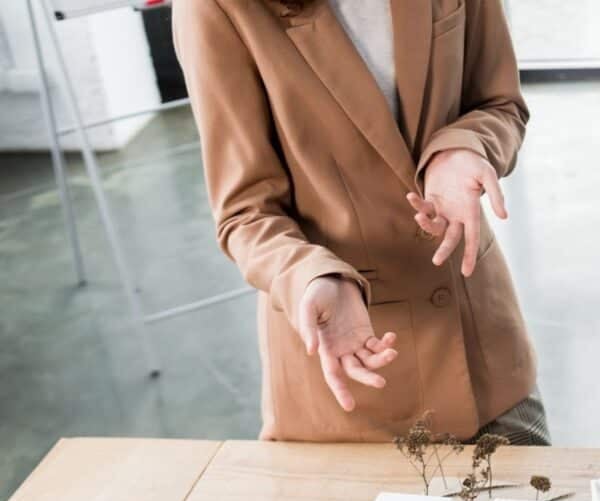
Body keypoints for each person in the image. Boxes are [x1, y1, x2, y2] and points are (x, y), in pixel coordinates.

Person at [173, 0, 548, 444]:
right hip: (351, 375)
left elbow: (498, 101)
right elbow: (246, 210)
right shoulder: (216, 7)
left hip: (484, 353)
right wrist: (309, 276)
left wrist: (465, 145)